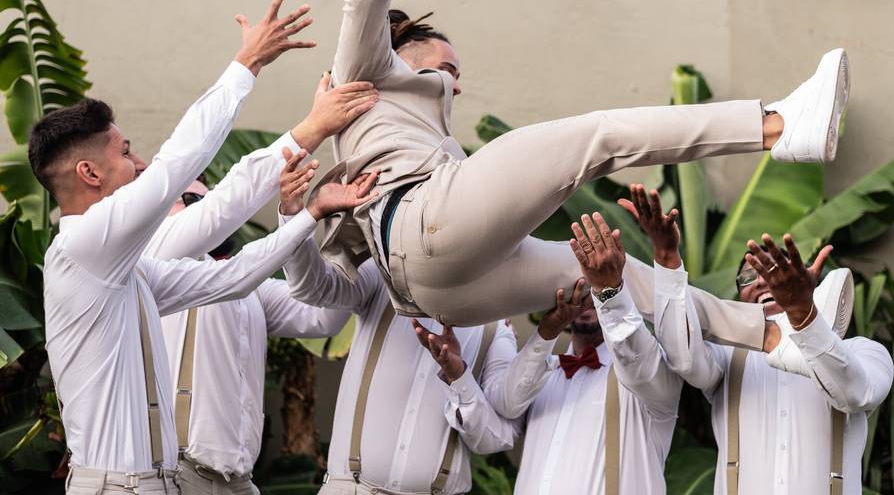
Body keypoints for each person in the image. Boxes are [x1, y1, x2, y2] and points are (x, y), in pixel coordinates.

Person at [317, 0, 853, 366]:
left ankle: (776, 336)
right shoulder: (365, 73)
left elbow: (334, 270)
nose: (454, 86)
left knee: (615, 270)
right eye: (445, 70)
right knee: (597, 136)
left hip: (437, 294)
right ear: (402, 54)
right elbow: (362, 4)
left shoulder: (408, 140)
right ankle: (780, 126)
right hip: (424, 227)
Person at [29, 0, 379, 495]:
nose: (140, 165)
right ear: (89, 172)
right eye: (125, 153)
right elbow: (180, 166)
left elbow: (231, 277)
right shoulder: (83, 246)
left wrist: (311, 215)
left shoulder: (129, 274)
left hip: (157, 484)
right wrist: (254, 69)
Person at [626, 184, 894, 494]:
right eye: (748, 277)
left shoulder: (864, 351)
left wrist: (803, 317)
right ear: (739, 293)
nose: (761, 282)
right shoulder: (727, 358)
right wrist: (666, 255)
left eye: (774, 271)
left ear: (805, 280)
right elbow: (682, 355)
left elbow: (854, 393)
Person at [155, 122, 378, 495]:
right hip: (179, 475)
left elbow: (324, 313)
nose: (207, 211)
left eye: (206, 199)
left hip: (238, 481)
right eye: (193, 201)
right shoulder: (152, 267)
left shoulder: (243, 286)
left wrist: (342, 230)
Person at [276, 167, 517, 495]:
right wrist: (298, 216)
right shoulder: (381, 273)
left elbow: (495, 439)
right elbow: (315, 290)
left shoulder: (496, 327)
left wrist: (459, 377)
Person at [488, 211, 682, 495]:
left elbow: (635, 351)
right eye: (579, 284)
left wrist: (609, 292)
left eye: (597, 281)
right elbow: (505, 404)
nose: (588, 293)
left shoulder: (649, 378)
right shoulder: (545, 370)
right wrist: (546, 331)